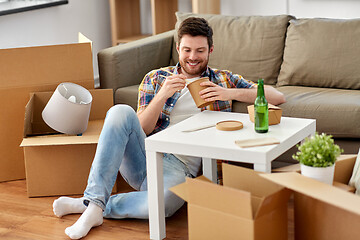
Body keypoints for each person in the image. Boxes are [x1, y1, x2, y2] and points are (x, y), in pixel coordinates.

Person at [53, 17, 286, 239]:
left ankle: (91, 206)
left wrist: (229, 93)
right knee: (119, 112)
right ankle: (94, 203)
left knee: (163, 204)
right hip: (145, 155)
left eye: (199, 50)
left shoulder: (223, 79)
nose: (192, 57)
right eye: (187, 50)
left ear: (210, 50)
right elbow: (142, 128)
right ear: (178, 48)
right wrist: (163, 95)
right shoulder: (156, 78)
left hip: (179, 168)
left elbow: (277, 96)